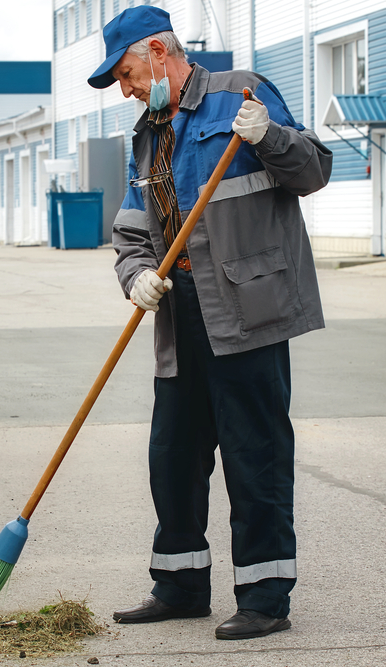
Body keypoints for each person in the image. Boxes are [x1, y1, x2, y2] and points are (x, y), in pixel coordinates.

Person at [87, 6, 332, 640]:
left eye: (127, 73)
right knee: (172, 453)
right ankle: (180, 585)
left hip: (248, 308)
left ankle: (264, 597)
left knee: (256, 453)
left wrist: (268, 136)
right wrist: (135, 276)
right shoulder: (148, 134)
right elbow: (133, 231)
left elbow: (312, 171)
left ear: (159, 54)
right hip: (180, 312)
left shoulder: (240, 95)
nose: (127, 88)